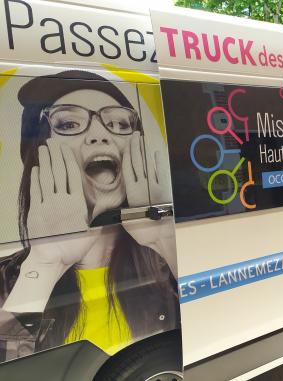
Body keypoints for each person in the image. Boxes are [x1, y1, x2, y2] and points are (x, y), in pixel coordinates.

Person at [0, 70, 180, 360]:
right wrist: (47, 263)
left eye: (119, 124)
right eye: (69, 123)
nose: (100, 135)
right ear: (39, 158)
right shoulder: (8, 279)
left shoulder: (167, 257)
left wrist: (164, 240)